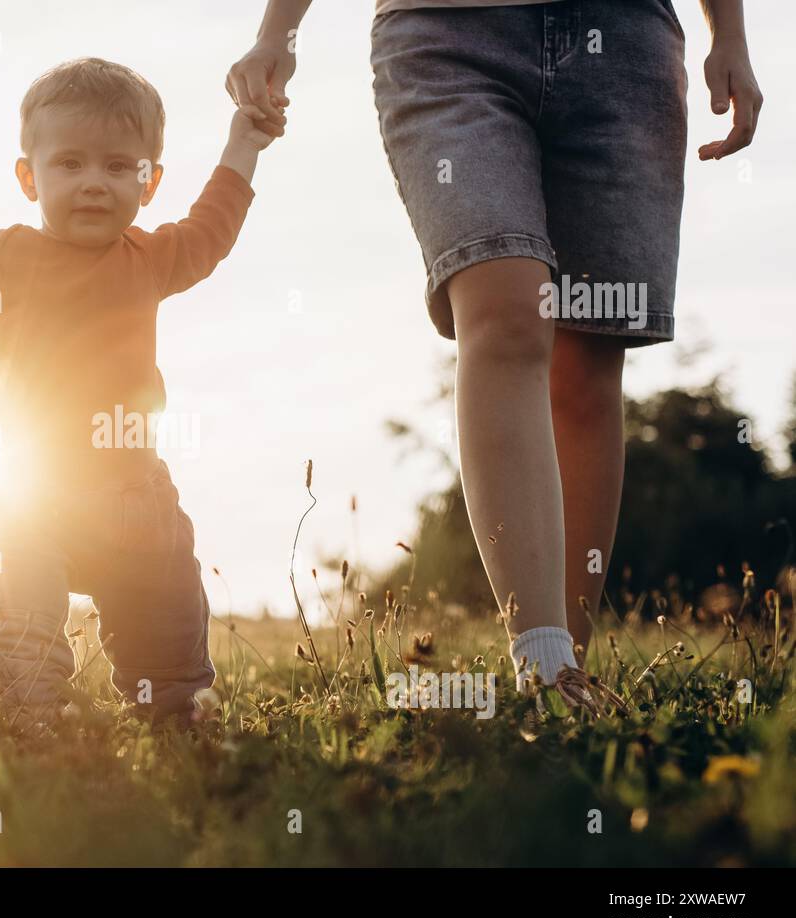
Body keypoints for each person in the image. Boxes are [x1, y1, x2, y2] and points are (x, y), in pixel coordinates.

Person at [227, 0, 762, 713]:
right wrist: (276, 32)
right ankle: (539, 659)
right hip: (446, 35)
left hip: (625, 41)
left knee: (587, 359)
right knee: (508, 309)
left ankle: (566, 676)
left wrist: (729, 33)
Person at [0, 57, 286, 731]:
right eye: (70, 164)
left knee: (170, 629)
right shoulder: (0, 258)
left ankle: (179, 718)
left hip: (134, 499)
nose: (94, 183)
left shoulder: (145, 259)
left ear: (149, 182)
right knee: (27, 629)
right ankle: (36, 727)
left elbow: (212, 228)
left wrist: (244, 142)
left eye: (120, 167)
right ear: (29, 176)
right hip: (32, 491)